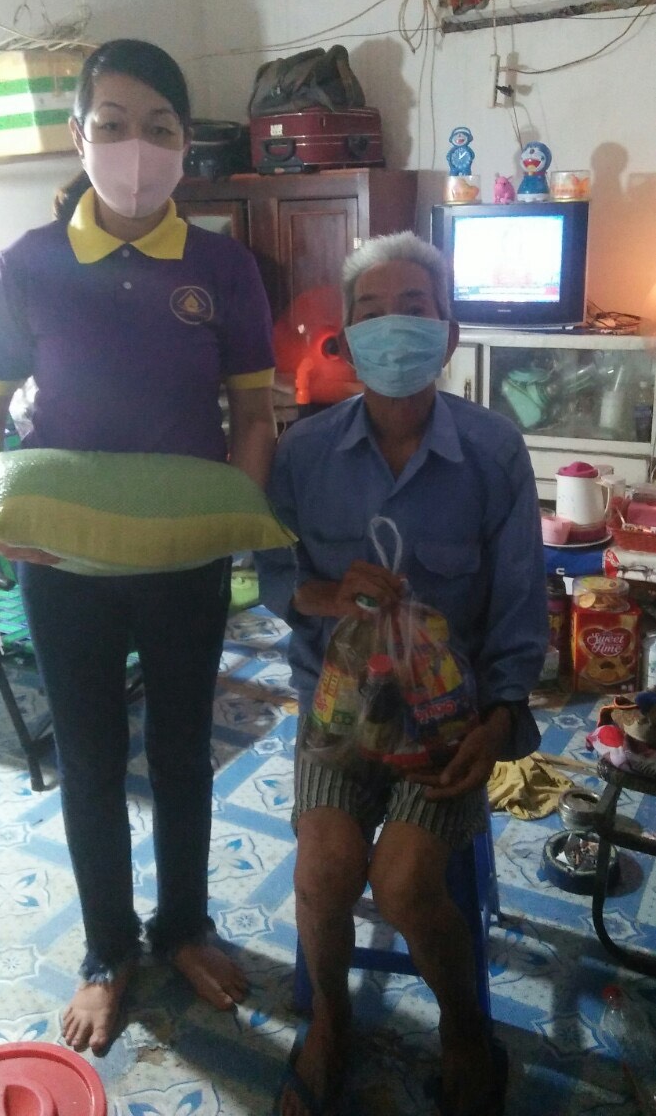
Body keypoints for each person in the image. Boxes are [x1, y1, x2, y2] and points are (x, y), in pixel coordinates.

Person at [0, 39, 276, 1055]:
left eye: (159, 127)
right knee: (89, 762)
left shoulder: (222, 267)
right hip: (66, 574)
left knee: (182, 754)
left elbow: (253, 417)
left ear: (186, 143)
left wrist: (230, 532)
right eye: (113, 124)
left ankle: (183, 925)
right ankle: (106, 950)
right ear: (79, 134)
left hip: (185, 567)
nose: (136, 147)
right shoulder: (27, 265)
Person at [258, 231, 548, 1116]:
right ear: (346, 340)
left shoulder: (493, 452)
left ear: (447, 334)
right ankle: (331, 1023)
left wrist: (498, 722)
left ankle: (464, 1031)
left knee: (405, 881)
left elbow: (519, 607)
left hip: (447, 725)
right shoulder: (304, 453)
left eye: (412, 308)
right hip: (338, 713)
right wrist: (324, 594)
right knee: (324, 869)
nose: (392, 327)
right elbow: (272, 576)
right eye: (370, 312)